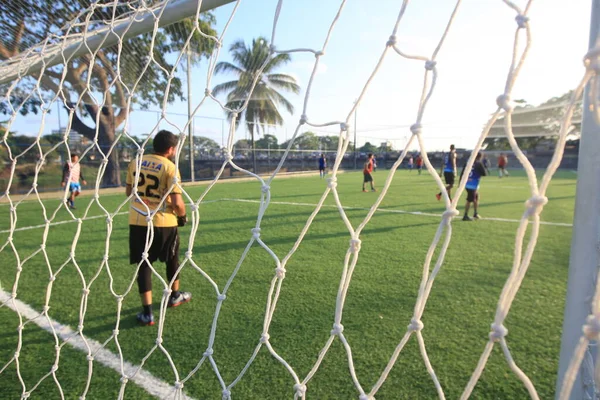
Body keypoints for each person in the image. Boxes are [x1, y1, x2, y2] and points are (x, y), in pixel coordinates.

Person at [126, 130, 190, 326]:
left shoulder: (135, 162)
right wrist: (182, 216)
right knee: (172, 259)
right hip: (164, 222)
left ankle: (147, 313)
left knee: (144, 264)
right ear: (171, 149)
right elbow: (178, 203)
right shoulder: (170, 168)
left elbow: (129, 193)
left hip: (138, 221)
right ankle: (175, 296)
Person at [460, 152, 488, 221]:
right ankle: (465, 215)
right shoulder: (479, 163)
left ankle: (475, 213)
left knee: (476, 197)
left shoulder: (468, 163)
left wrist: (460, 182)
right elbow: (484, 174)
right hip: (472, 184)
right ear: (479, 157)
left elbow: (462, 172)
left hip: (467, 184)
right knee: (469, 199)